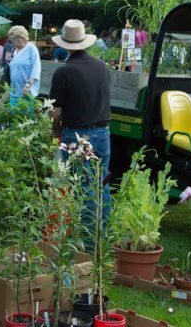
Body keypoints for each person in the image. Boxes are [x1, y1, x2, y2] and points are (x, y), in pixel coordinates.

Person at [49, 19, 111, 240]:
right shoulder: (101, 66)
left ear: (66, 45)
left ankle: (86, 242)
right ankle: (102, 234)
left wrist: (54, 130)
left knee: (83, 188)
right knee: (101, 183)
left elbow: (55, 111)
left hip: (78, 135)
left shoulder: (64, 72)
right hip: (103, 132)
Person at [7, 25, 40, 107]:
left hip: (26, 91)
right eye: (11, 40)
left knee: (26, 117)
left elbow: (36, 68)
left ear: (21, 38)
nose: (12, 42)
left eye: (13, 39)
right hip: (14, 91)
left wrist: (28, 85)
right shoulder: (15, 50)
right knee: (13, 117)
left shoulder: (31, 48)